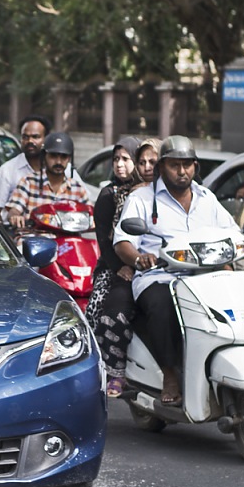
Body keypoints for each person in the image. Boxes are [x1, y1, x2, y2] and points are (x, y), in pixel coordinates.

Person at [113, 135, 237, 406]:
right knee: (162, 305)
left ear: (196, 167)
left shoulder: (208, 199)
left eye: (188, 165)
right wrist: (139, 259)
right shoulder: (143, 199)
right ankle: (170, 374)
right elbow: (123, 242)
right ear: (161, 168)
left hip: (204, 276)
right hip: (160, 277)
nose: (182, 172)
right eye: (175, 165)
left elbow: (233, 233)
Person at [87, 137, 159, 396]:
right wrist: (122, 265)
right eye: (141, 161)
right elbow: (108, 240)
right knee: (104, 311)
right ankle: (108, 369)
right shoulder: (115, 194)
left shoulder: (186, 194)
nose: (120, 165)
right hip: (116, 264)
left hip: (165, 269)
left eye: (125, 159)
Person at [5, 131, 90, 229]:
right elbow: (14, 209)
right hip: (34, 239)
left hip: (68, 241)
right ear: (44, 156)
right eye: (53, 156)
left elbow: (90, 214)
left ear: (69, 159)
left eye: (64, 157)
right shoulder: (28, 182)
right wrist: (15, 216)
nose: (58, 161)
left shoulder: (77, 188)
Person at [0, 115, 51, 223]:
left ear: (46, 139)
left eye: (35, 137)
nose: (30, 141)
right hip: (18, 234)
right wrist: (6, 237)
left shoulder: (62, 169)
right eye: (25, 137)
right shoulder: (7, 170)